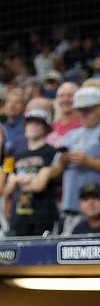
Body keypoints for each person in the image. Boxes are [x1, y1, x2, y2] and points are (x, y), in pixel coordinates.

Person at [4, 109, 60, 237]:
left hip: (44, 215)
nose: (33, 126)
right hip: (19, 217)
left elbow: (39, 185)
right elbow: (7, 188)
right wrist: (30, 179)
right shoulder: (14, 154)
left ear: (46, 128)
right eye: (30, 123)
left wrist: (17, 180)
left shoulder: (52, 152)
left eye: (38, 123)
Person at [51, 86, 100, 228]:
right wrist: (63, 162)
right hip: (72, 207)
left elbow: (89, 162)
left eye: (89, 110)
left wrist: (90, 162)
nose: (84, 114)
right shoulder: (70, 135)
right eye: (80, 110)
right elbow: (54, 172)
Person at [48, 81, 82, 146]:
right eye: (61, 96)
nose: (65, 99)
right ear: (57, 100)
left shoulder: (84, 124)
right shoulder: (52, 126)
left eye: (70, 95)